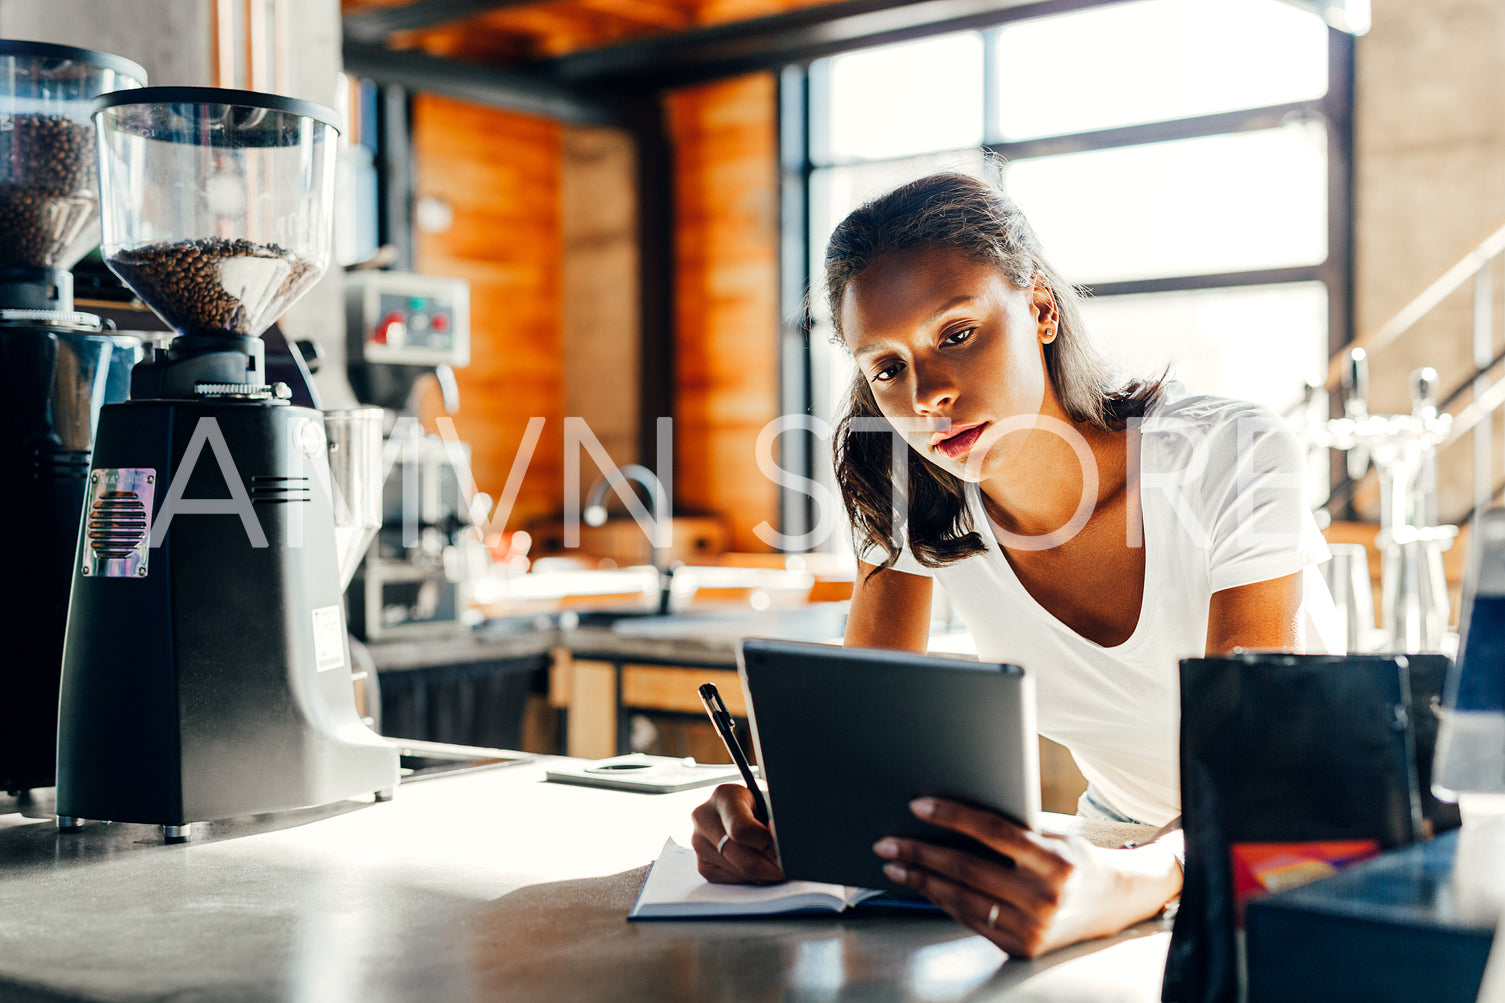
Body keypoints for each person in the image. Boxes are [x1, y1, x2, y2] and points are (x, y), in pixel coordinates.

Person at [691, 170, 1341, 959]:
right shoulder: (909, 496)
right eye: (886, 367)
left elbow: (1258, 767)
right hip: (1125, 829)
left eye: (955, 334)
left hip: (1314, 817)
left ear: (1039, 308)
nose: (926, 394)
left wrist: (1134, 880)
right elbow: (855, 749)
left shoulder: (1226, 452)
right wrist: (781, 811)